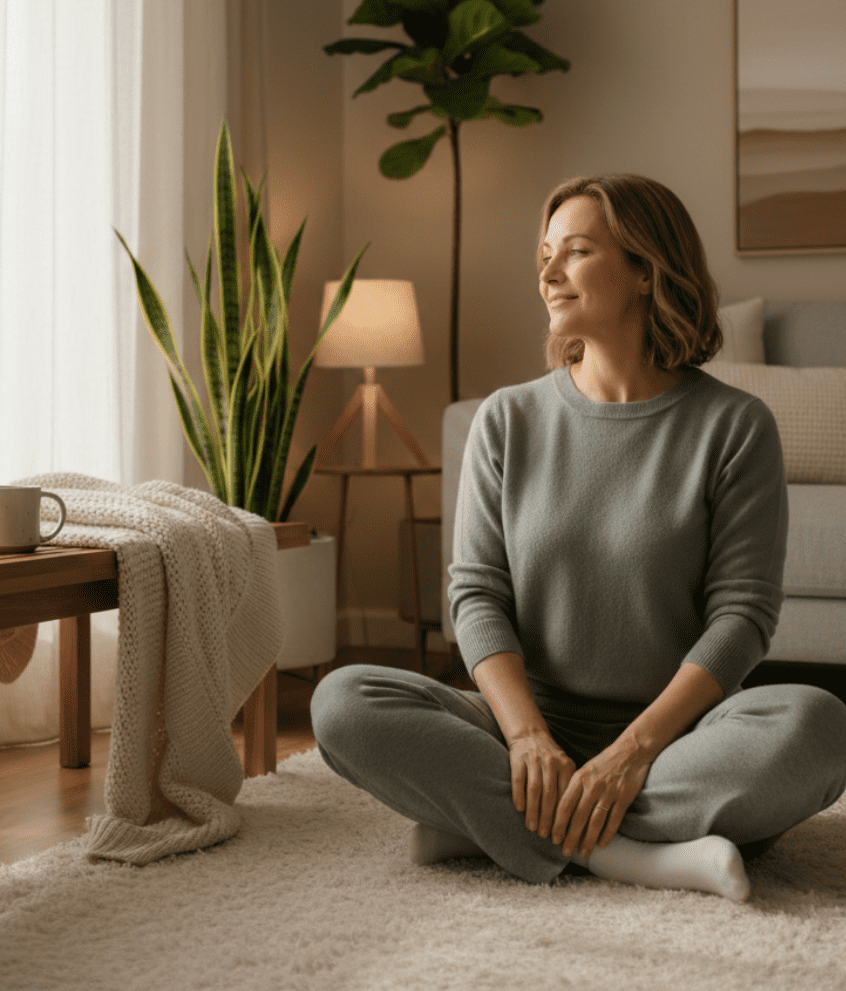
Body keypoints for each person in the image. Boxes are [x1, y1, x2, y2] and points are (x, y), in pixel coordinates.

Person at [310, 173, 846, 901]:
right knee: (343, 701)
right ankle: (634, 852)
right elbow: (475, 594)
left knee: (818, 725)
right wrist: (528, 738)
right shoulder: (506, 420)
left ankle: (489, 828)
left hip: (676, 741)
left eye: (577, 251)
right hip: (522, 733)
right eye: (544, 254)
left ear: (645, 271)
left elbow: (742, 617)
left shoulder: (734, 427)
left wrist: (630, 754)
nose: (547, 272)